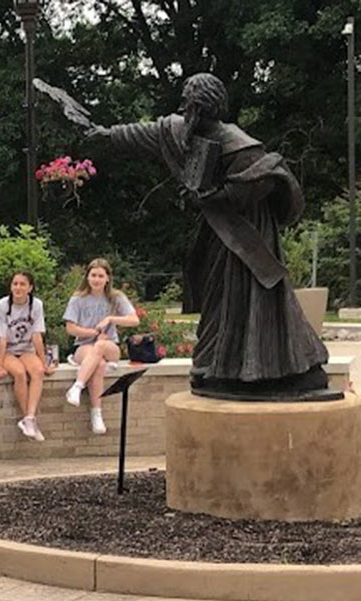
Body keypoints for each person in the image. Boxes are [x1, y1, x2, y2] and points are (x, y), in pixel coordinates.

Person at [86, 72, 330, 398]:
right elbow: (143, 133)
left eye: (188, 102)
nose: (182, 108)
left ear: (200, 108)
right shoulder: (180, 131)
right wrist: (105, 136)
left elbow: (268, 179)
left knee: (250, 302)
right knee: (218, 299)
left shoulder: (238, 144)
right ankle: (216, 366)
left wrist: (217, 196)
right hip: (220, 235)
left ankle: (259, 370)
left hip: (247, 240)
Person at [63, 258, 139, 434]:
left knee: (102, 346)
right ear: (87, 277)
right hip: (85, 347)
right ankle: (96, 413)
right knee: (99, 364)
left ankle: (77, 386)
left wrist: (111, 319)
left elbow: (134, 320)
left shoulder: (116, 297)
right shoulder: (77, 299)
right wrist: (93, 333)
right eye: (93, 275)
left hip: (109, 346)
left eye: (100, 276)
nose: (96, 279)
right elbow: (70, 328)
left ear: (107, 278)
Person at [0, 270, 56, 442]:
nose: (18, 288)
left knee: (37, 372)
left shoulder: (36, 305)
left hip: (26, 348)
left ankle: (30, 418)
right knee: (19, 373)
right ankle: (27, 418)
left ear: (30, 287)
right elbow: (1, 338)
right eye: (15, 284)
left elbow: (37, 336)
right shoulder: (2, 306)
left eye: (22, 284)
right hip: (4, 349)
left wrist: (44, 363)